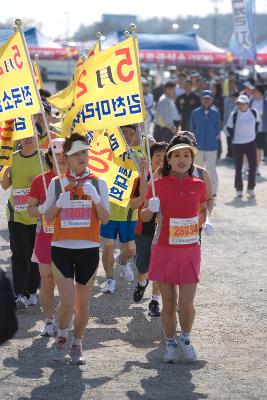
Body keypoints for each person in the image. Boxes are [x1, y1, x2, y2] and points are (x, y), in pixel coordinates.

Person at [141, 135, 207, 363]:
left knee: (186, 304)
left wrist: (204, 222)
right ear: (168, 159)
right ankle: (170, 343)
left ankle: (186, 340)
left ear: (191, 159)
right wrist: (151, 208)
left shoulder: (199, 184)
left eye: (186, 155)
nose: (182, 159)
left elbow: (202, 208)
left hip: (190, 251)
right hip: (164, 250)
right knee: (168, 304)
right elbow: (144, 215)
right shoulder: (156, 186)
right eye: (177, 155)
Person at [44, 133, 109, 364]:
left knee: (82, 305)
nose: (82, 157)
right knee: (68, 301)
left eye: (85, 152)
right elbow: (47, 219)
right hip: (61, 248)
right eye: (76, 154)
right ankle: (62, 335)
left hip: (89, 249)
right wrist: (59, 204)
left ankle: (78, 343)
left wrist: (96, 200)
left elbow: (106, 219)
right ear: (66, 157)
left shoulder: (98, 183)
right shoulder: (55, 183)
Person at [0, 136, 48, 309]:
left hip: (38, 215)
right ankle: (19, 293)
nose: (28, 139)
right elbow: (5, 186)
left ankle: (32, 289)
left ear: (37, 137)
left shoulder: (45, 159)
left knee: (36, 255)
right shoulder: (11, 158)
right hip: (17, 215)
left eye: (31, 136)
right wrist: (5, 173)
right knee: (19, 254)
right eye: (24, 136)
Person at [27, 138, 68, 336]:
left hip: (71, 239)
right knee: (48, 280)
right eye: (56, 155)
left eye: (64, 154)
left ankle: (66, 318)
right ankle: (49, 320)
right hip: (46, 237)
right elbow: (30, 209)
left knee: (68, 282)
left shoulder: (79, 181)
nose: (60, 158)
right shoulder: (40, 180)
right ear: (49, 158)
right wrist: (43, 208)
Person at [101, 125, 139, 294]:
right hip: (109, 210)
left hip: (129, 212)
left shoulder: (138, 157)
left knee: (130, 248)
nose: (128, 137)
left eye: (132, 134)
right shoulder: (106, 155)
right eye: (124, 133)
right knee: (108, 246)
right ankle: (109, 279)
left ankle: (122, 262)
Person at [131, 142, 168, 317]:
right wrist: (146, 191)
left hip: (164, 229)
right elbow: (132, 205)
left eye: (164, 155)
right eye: (157, 156)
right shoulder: (141, 178)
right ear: (151, 159)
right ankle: (141, 283)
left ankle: (154, 300)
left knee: (159, 267)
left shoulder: (172, 180)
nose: (161, 159)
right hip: (144, 228)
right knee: (143, 266)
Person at [227, 94, 259, 198]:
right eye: (238, 103)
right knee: (238, 168)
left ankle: (251, 188)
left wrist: (250, 136)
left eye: (242, 104)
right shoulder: (234, 115)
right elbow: (229, 128)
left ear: (247, 104)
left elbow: (256, 125)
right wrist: (237, 137)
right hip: (238, 144)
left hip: (251, 142)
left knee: (253, 166)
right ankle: (239, 189)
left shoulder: (254, 113)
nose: (240, 105)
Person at [190, 90, 221, 197]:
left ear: (211, 100)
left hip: (212, 146)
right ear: (201, 99)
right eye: (204, 99)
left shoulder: (216, 113)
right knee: (197, 168)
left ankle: (213, 191)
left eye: (208, 99)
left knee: (211, 168)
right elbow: (191, 128)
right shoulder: (195, 113)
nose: (206, 101)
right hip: (198, 146)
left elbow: (218, 129)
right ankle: (198, 190)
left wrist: (214, 139)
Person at [250, 85, 267, 175]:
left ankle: (257, 168)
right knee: (248, 147)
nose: (253, 92)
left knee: (259, 149)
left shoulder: (265, 102)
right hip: (249, 128)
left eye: (255, 90)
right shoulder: (250, 101)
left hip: (261, 129)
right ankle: (246, 165)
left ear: (260, 92)